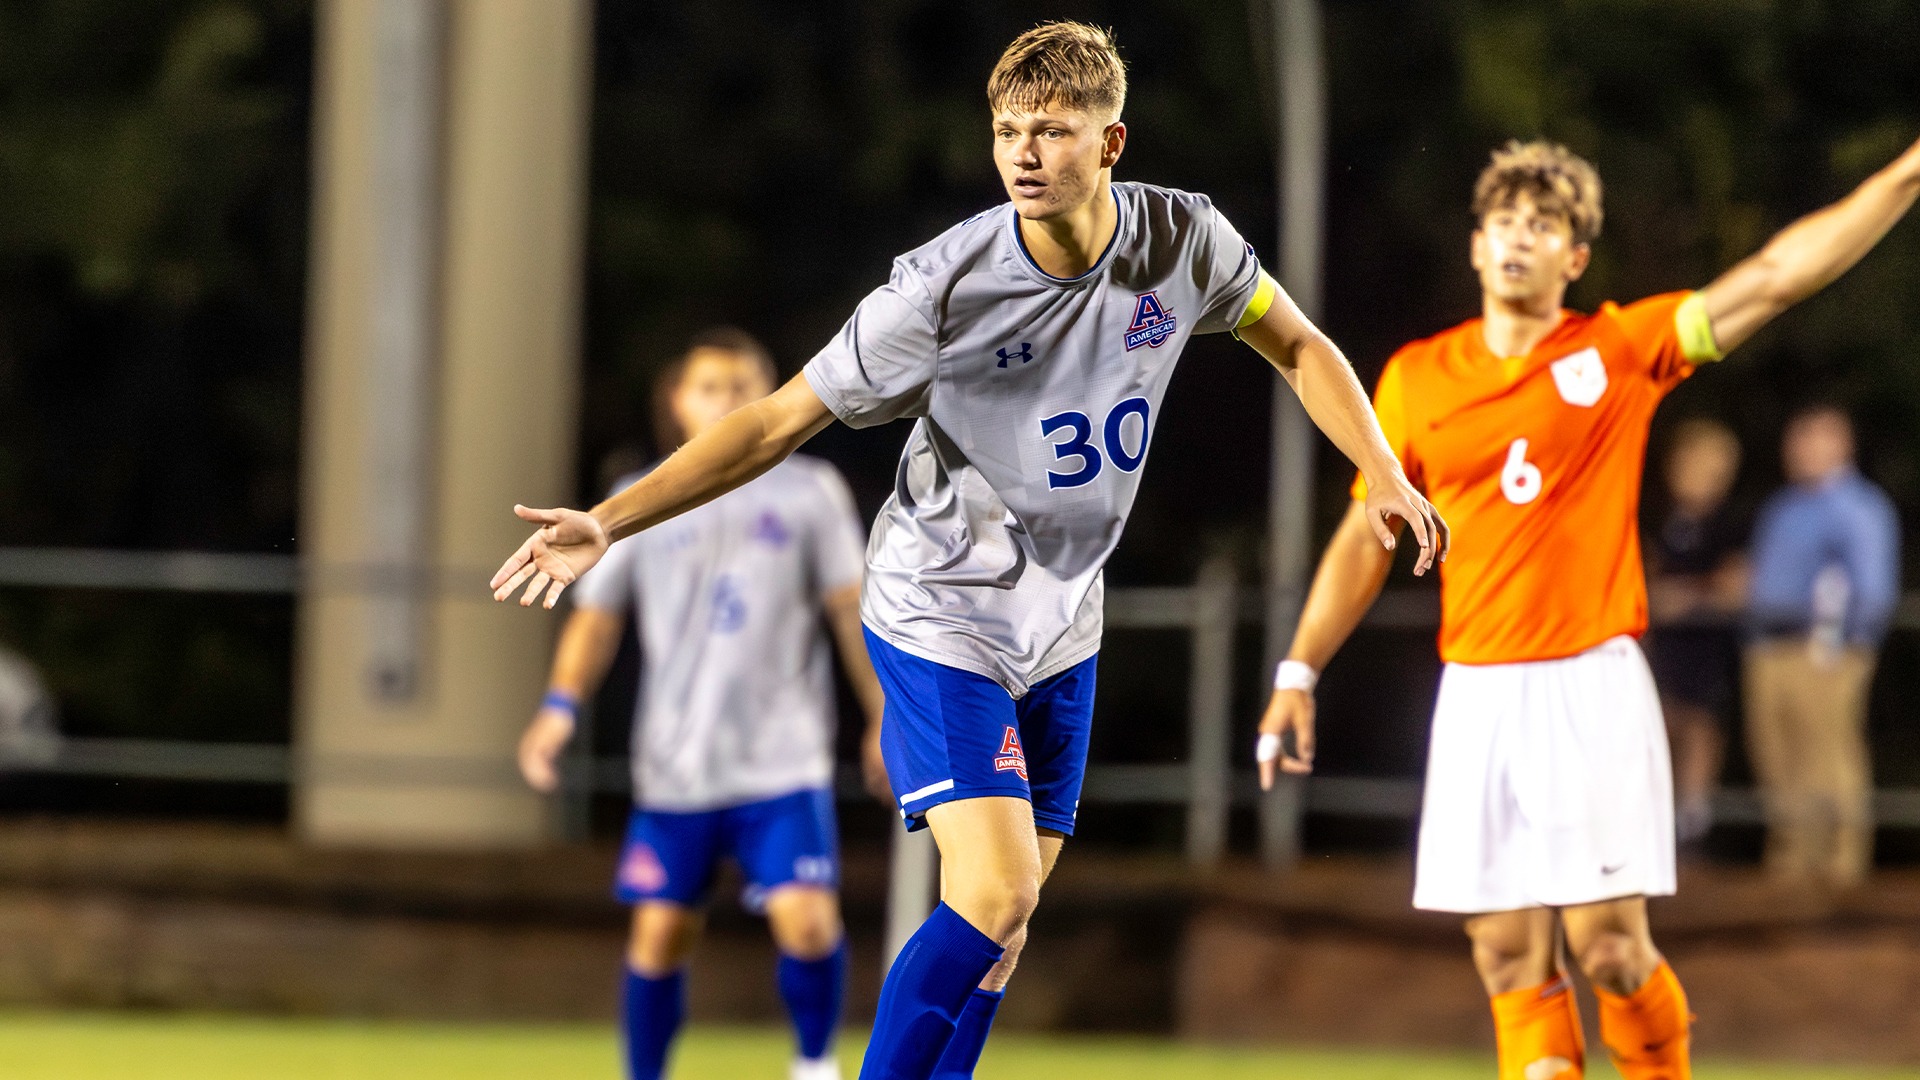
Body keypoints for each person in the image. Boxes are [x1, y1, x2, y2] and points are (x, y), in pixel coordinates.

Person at [493, 23, 1446, 1080]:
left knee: (1004, 932)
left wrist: (1386, 470)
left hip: (1063, 622)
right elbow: (773, 423)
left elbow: (1301, 346)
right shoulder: (942, 288)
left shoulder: (1186, 242)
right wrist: (610, 519)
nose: (1024, 153)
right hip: (940, 609)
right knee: (993, 895)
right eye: (1006, 132)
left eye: (1052, 130)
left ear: (1111, 142)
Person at [1256, 135, 1920, 1080]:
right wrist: (1298, 670)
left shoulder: (1618, 349)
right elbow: (1370, 535)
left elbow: (1775, 276)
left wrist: (1906, 173)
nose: (1520, 238)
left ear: (1574, 257)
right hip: (1477, 691)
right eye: (1504, 223)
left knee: (1609, 948)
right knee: (1506, 959)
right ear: (1477, 247)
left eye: (1545, 225)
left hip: (1588, 680)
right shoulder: (1414, 379)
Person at [516, 328, 889, 1080]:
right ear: (678, 402)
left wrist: (884, 715)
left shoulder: (810, 492)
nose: (729, 398)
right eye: (711, 385)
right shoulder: (641, 500)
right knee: (658, 938)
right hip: (677, 762)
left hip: (783, 760)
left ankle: (814, 1065)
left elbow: (851, 608)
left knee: (809, 921)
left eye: (745, 383)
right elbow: (596, 617)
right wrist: (559, 706)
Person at [1744, 404, 1899, 889]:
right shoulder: (1783, 506)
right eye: (1798, 438)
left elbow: (1872, 585)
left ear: (1842, 445)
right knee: (1775, 754)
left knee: (1829, 753)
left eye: (1815, 439)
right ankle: (1792, 859)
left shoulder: (1860, 507)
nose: (1801, 450)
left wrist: (1849, 643)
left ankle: (1841, 864)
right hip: (1768, 645)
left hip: (1825, 648)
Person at [1645, 418, 1747, 845]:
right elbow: (1642, 578)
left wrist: (1680, 598)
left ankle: (1693, 835)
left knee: (1699, 734)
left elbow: (1735, 586)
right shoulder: (1659, 517)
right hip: (1660, 651)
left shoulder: (1731, 522)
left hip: (1707, 651)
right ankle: (1656, 830)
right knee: (1657, 732)